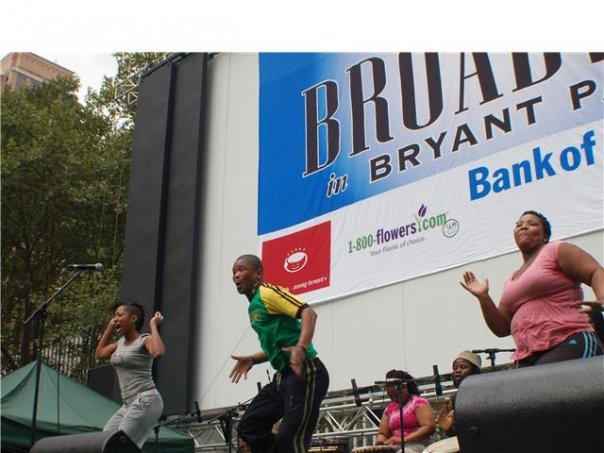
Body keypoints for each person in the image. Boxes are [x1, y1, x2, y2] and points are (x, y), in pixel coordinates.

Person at [461, 210, 603, 368]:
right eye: (519, 225)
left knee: (545, 387)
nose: (523, 227)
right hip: (527, 355)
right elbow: (501, 328)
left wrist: (602, 298)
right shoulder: (512, 279)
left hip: (567, 339)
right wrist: (484, 298)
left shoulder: (556, 250)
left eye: (532, 224)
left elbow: (595, 272)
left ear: (545, 236)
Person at [230, 254, 329, 453]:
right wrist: (251, 359)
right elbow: (275, 348)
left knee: (289, 439)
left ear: (258, 274)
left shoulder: (269, 293)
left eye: (242, 270)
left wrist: (301, 348)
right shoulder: (253, 307)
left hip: (307, 373)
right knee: (249, 427)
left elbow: (308, 313)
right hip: (282, 377)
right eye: (234, 272)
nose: (236, 276)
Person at [95, 302, 165, 448]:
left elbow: (158, 352)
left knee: (119, 446)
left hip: (146, 399)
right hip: (128, 404)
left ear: (133, 319)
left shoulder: (144, 339)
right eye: (114, 316)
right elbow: (99, 354)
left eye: (120, 315)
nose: (115, 319)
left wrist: (153, 324)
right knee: (104, 443)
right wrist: (109, 327)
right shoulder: (119, 344)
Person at [375, 369, 435, 453]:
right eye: (392, 397)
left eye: (396, 396)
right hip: (396, 447)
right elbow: (383, 433)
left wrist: (403, 440)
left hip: (419, 446)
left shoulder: (419, 402)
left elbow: (429, 427)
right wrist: (381, 442)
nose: (394, 400)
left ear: (404, 387)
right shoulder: (389, 409)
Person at [436, 351, 481, 437]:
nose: (458, 371)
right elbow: (454, 435)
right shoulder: (455, 398)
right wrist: (448, 427)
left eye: (463, 367)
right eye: (455, 368)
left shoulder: (484, 393)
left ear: (474, 371)